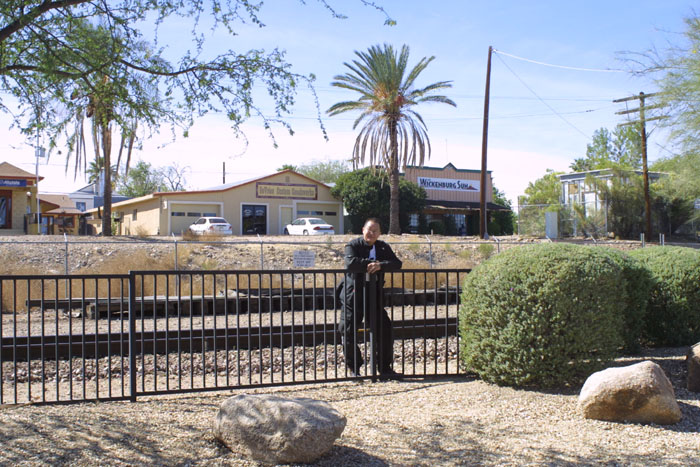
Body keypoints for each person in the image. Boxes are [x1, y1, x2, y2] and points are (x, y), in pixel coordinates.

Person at [337, 218, 402, 377]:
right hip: (353, 296)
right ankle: (354, 368)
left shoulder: (382, 246)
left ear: (379, 233)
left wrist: (380, 265)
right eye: (369, 230)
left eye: (375, 231)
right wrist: (372, 264)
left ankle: (384, 368)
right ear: (363, 230)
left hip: (374, 296)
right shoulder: (353, 245)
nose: (371, 233)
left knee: (385, 330)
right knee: (348, 331)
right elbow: (351, 263)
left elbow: (396, 263)